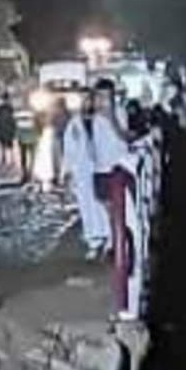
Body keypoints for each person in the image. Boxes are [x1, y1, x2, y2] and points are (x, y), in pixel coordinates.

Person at [88, 80, 138, 318]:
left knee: (118, 213)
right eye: (98, 97)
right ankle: (113, 245)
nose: (102, 101)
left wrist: (113, 121)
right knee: (108, 211)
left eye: (106, 97)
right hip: (99, 170)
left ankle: (119, 251)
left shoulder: (117, 114)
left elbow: (126, 137)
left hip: (115, 170)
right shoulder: (92, 117)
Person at [61, 97, 108, 259]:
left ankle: (108, 237)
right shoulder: (74, 125)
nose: (88, 104)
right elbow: (69, 149)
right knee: (87, 205)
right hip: (82, 171)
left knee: (102, 204)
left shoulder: (102, 121)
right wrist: (67, 171)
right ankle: (93, 241)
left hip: (102, 169)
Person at [0, 94, 18, 173]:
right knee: (8, 145)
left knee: (5, 144)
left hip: (4, 127)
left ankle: (6, 158)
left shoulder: (1, 107)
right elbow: (12, 117)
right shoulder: (8, 107)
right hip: (7, 127)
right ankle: (10, 159)